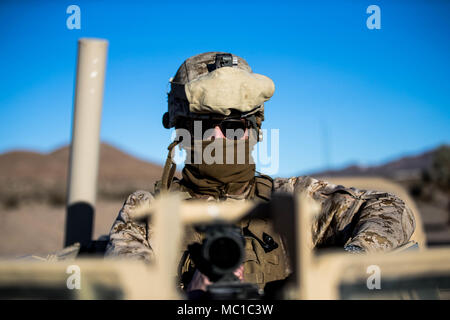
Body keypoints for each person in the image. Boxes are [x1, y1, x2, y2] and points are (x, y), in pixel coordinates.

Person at [105, 52, 416, 293]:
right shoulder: (147, 210)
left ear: (254, 133)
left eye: (233, 127)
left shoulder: (295, 198)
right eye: (203, 127)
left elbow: (389, 209)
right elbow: (129, 282)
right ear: (182, 134)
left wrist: (339, 273)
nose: (217, 138)